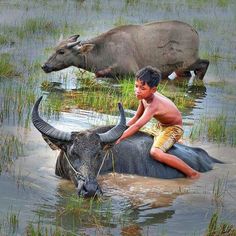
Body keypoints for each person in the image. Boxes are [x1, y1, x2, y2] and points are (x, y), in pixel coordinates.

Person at [115, 66, 200, 179]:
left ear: (153, 90)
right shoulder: (144, 98)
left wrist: (120, 138)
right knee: (140, 137)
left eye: (142, 88)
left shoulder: (153, 105)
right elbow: (136, 118)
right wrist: (119, 129)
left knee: (155, 153)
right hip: (160, 126)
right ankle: (176, 142)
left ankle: (192, 173)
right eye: (136, 86)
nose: (137, 90)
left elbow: (138, 125)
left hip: (173, 128)